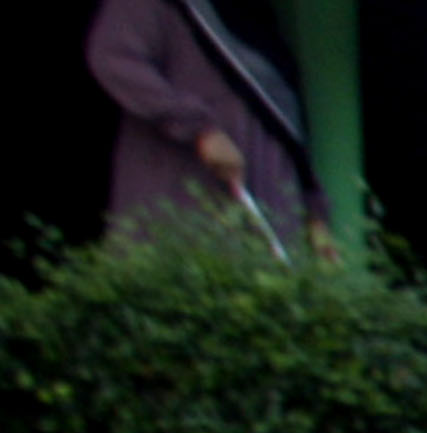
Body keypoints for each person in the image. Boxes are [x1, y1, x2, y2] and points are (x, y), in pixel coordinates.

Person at [87, 0, 316, 248]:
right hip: (179, 200)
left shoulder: (258, 20)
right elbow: (113, 57)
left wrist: (314, 211)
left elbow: (286, 124)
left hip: (268, 211)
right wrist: (200, 129)